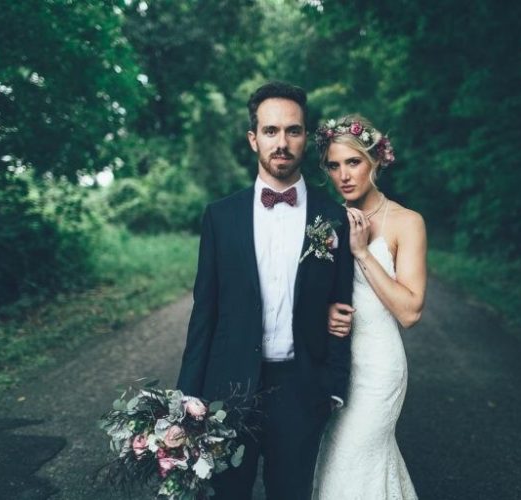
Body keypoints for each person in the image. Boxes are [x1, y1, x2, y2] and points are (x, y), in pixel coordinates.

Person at [175, 82, 353, 500]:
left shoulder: (334, 219)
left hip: (301, 390)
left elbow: (342, 307)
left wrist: (332, 388)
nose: (282, 142)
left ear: (306, 138)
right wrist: (186, 394)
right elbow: (205, 311)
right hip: (229, 388)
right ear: (253, 138)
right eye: (271, 131)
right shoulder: (220, 217)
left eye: (293, 131)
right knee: (226, 494)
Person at [311, 115, 427, 499]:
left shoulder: (406, 223)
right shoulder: (323, 220)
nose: (344, 175)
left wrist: (362, 252)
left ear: (375, 161)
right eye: (334, 164)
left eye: (353, 162)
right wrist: (323, 312)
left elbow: (410, 312)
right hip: (335, 364)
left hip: (378, 369)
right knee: (337, 462)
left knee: (352, 458)